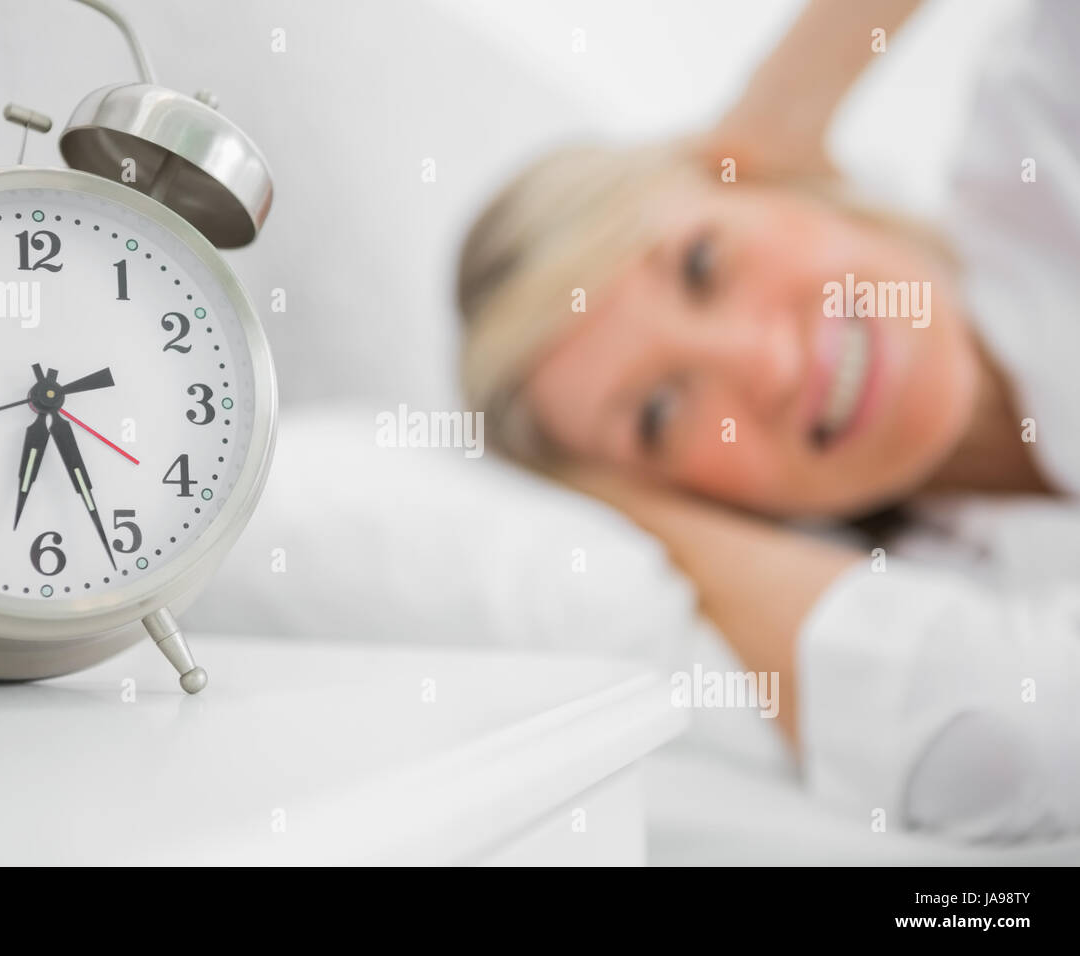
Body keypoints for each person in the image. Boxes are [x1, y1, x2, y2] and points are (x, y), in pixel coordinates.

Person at [456, 0, 1080, 841]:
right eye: (659, 413)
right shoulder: (944, 585)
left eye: (704, 262)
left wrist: (783, 101)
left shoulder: (1049, 116)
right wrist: (619, 507)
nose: (774, 366)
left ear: (764, 184)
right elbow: (1015, 740)